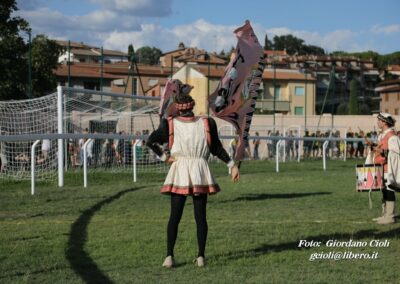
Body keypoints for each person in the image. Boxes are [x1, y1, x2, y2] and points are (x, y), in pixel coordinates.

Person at [146, 80, 239, 268]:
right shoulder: (207, 122)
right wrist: (232, 165)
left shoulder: (169, 124)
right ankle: (200, 257)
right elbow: (217, 149)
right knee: (200, 216)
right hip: (200, 170)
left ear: (177, 108)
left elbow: (150, 141)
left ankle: (169, 256)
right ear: (192, 107)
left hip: (179, 169)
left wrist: (164, 157)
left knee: (175, 216)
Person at [370, 112, 400, 224]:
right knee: (383, 190)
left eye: (379, 120)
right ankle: (385, 214)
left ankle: (390, 216)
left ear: (385, 122)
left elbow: (395, 154)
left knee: (389, 190)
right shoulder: (382, 135)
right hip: (381, 167)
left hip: (388, 169)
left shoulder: (392, 136)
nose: (377, 122)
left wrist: (381, 151)